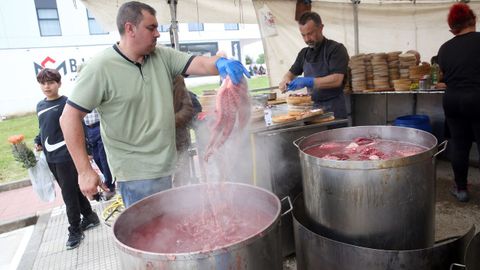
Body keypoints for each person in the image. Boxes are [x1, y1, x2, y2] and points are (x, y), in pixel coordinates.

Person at [59, 1, 250, 208]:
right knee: (148, 234)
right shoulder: (100, 68)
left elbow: (201, 64)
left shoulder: (162, 56)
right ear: (130, 28)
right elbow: (69, 117)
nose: (158, 34)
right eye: (151, 28)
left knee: (172, 229)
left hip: (169, 165)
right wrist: (84, 171)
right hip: (136, 175)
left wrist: (220, 63)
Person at [34, 68, 99, 250]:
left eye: (51, 82)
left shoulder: (67, 104)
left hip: (66, 156)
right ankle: (90, 216)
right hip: (51, 157)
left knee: (68, 195)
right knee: (71, 190)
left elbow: (78, 127)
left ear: (59, 84)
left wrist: (86, 151)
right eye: (43, 83)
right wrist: (38, 141)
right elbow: (44, 128)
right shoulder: (40, 105)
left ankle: (75, 231)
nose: (47, 86)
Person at [437, 3, 480, 202]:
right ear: (474, 20)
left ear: (453, 27)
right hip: (477, 98)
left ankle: (461, 189)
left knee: (459, 146)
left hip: (453, 100)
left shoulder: (444, 48)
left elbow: (443, 78)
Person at [279, 11, 349, 119]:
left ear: (321, 28)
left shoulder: (336, 49)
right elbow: (290, 73)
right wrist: (285, 81)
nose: (307, 39)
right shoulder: (304, 53)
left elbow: (337, 80)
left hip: (334, 109)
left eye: (310, 33)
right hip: (312, 109)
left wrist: (309, 81)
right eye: (303, 35)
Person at [83, 109, 115, 200]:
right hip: (88, 129)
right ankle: (108, 180)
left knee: (103, 158)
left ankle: (110, 187)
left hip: (99, 125)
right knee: (97, 159)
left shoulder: (95, 95)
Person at [172, 75, 195, 187]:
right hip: (152, 148)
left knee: (181, 183)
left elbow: (188, 109)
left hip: (178, 142)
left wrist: (168, 122)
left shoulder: (177, 79)